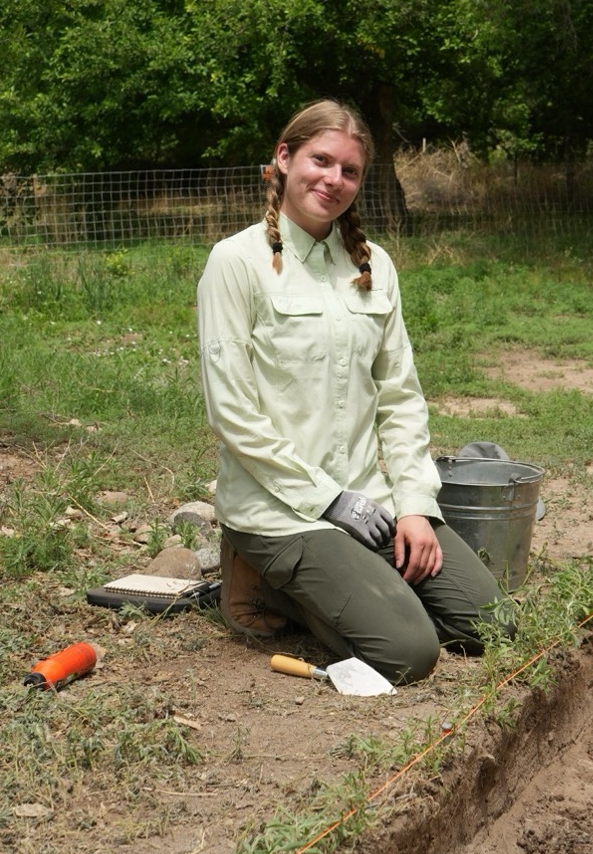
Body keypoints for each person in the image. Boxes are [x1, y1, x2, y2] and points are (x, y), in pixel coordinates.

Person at [196, 99, 509, 683]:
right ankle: (261, 582)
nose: (333, 180)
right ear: (283, 159)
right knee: (408, 653)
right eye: (321, 160)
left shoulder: (375, 266)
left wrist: (414, 506)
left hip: (371, 503)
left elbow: (401, 397)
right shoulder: (236, 263)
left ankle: (364, 586)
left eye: (350, 170)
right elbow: (232, 413)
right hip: (282, 511)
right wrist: (331, 501)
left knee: (488, 624)